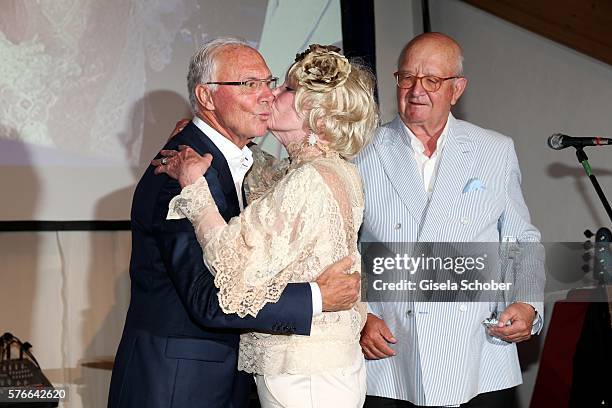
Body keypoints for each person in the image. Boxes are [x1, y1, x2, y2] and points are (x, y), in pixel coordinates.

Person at [107, 38, 361, 408]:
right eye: (249, 84)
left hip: (245, 381)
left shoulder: (261, 167)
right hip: (179, 386)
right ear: (206, 97)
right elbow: (209, 299)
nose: (268, 95)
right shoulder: (177, 174)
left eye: (269, 82)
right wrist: (318, 298)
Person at [355, 32, 545, 407]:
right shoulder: (362, 150)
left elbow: (522, 239)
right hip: (391, 349)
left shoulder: (495, 149)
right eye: (406, 78)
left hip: (477, 351)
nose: (416, 90)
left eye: (432, 80)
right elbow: (337, 247)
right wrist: (359, 317)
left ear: (456, 89)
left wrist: (526, 303)